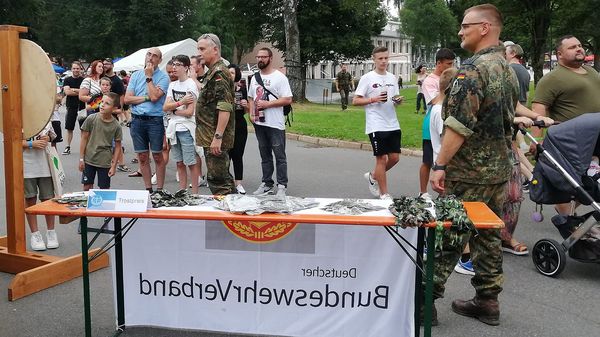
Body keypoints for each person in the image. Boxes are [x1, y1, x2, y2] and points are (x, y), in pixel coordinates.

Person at [428, 4, 518, 326]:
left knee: (450, 234)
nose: (460, 31)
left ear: (484, 28)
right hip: (498, 170)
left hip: (468, 173)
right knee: (488, 236)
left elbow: (458, 126)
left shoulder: (472, 70)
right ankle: (487, 302)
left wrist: (439, 166)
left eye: (465, 26)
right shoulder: (507, 67)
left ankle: (423, 302)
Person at [531, 35, 600, 216]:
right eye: (572, 47)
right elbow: (539, 109)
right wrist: (536, 139)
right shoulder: (552, 78)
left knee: (592, 180)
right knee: (572, 180)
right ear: (559, 54)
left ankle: (571, 211)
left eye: (579, 45)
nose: (579, 49)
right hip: (571, 139)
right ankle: (566, 214)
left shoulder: (591, 72)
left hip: (595, 135)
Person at [352, 46, 403, 201]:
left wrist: (398, 101)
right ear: (374, 59)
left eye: (386, 58)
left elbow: (394, 100)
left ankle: (374, 176)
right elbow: (355, 100)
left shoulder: (392, 78)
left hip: (392, 123)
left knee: (394, 158)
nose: (383, 61)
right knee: (381, 159)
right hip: (376, 124)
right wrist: (373, 99)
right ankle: (384, 193)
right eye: (380, 58)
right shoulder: (367, 78)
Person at [248, 47, 293, 197]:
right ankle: (267, 183)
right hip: (260, 123)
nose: (260, 59)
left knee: (279, 155)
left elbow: (287, 99)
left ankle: (282, 185)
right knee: (264, 155)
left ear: (270, 58)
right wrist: (251, 112)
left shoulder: (280, 77)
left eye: (263, 57)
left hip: (275, 123)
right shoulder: (254, 77)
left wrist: (268, 104)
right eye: (258, 57)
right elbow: (250, 97)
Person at [123, 47, 170, 193]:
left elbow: (156, 97)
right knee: (142, 156)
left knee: (157, 155)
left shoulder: (163, 77)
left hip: (154, 120)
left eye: (155, 56)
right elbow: (127, 99)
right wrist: (146, 98)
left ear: (159, 60)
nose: (151, 58)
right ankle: (148, 189)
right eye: (149, 54)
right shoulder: (136, 75)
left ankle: (160, 190)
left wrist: (149, 77)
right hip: (137, 120)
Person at [195, 33, 236, 195]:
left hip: (215, 137)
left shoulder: (219, 72)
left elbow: (225, 106)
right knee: (219, 178)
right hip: (210, 135)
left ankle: (227, 218)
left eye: (202, 49)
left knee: (219, 181)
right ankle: (230, 213)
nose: (199, 53)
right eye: (198, 48)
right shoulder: (213, 71)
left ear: (215, 49)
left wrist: (217, 137)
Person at [418, 48, 456, 200]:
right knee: (427, 161)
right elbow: (435, 100)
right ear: (438, 63)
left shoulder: (451, 77)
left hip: (445, 120)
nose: (451, 66)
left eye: (453, 63)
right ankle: (422, 191)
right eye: (448, 63)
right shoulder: (429, 81)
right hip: (432, 123)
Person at [163, 55, 200, 194]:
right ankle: (182, 191)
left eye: (178, 64)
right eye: (174, 64)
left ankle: (195, 193)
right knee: (179, 162)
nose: (174, 67)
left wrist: (174, 110)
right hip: (174, 128)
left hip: (186, 127)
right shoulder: (172, 85)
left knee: (191, 162)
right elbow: (165, 107)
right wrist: (179, 104)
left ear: (186, 67)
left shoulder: (191, 84)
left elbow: (190, 112)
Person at [23, 124, 58, 251]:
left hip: (46, 165)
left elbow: (53, 135)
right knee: (30, 199)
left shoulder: (44, 115)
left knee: (48, 199)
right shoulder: (16, 116)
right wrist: (31, 144)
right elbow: (10, 140)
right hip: (26, 166)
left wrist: (47, 138)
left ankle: (51, 232)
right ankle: (35, 234)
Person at [79, 92, 123, 191]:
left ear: (114, 108)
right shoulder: (91, 119)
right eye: (102, 101)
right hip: (89, 159)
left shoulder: (116, 126)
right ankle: (86, 206)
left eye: (107, 103)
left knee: (104, 189)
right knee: (87, 187)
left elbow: (118, 146)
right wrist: (81, 158)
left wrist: (114, 165)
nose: (102, 105)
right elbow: (84, 138)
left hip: (105, 162)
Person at [228, 64, 249, 194]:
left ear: (237, 75)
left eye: (232, 73)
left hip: (240, 124)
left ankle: (238, 183)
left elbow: (247, 111)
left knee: (238, 154)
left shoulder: (242, 90)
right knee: (225, 155)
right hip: (226, 125)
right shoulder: (222, 89)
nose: (230, 75)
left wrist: (246, 105)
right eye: (228, 72)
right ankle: (224, 181)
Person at [62, 61, 86, 155]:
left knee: (83, 128)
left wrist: (74, 89)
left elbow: (86, 92)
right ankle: (67, 147)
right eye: (74, 68)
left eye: (77, 68)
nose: (76, 70)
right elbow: (67, 92)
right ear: (71, 69)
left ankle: (83, 147)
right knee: (69, 128)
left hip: (82, 106)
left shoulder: (84, 80)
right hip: (71, 106)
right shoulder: (67, 80)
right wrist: (80, 92)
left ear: (80, 69)